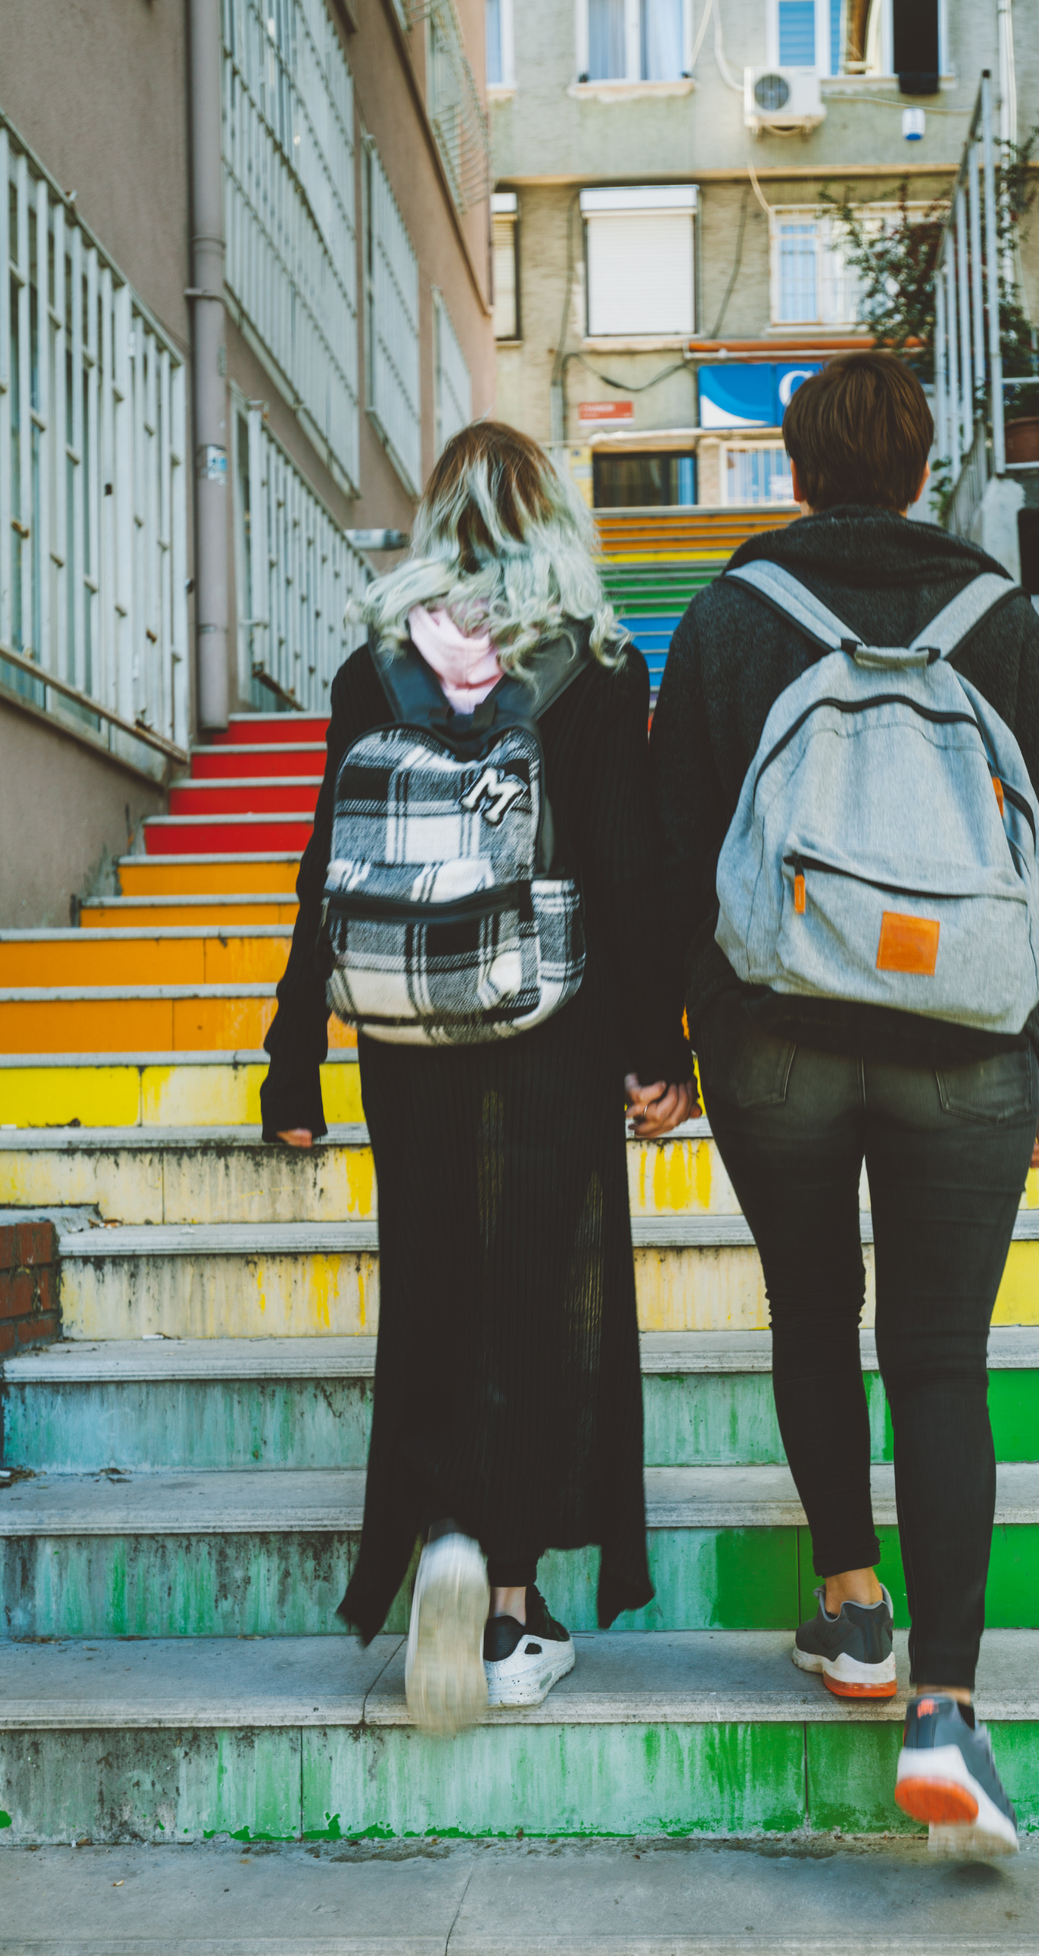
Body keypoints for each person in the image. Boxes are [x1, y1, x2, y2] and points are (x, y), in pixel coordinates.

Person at [652, 352, 1039, 1854]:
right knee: (940, 1359)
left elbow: (674, 850)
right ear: (919, 469)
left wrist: (661, 1041)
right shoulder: (996, 615)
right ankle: (949, 1710)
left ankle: (854, 1611)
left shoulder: (725, 618)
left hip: (775, 1029)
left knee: (807, 1315)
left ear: (791, 470)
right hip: (969, 1031)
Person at [260, 420, 698, 1732]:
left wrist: (296, 1056)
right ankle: (508, 1606)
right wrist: (655, 1047)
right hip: (548, 1021)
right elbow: (624, 867)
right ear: (552, 519)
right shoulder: (597, 666)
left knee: (438, 1277)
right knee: (541, 1293)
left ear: (438, 523)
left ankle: (442, 1537)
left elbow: (324, 868)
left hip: (403, 1034)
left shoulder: (371, 666)